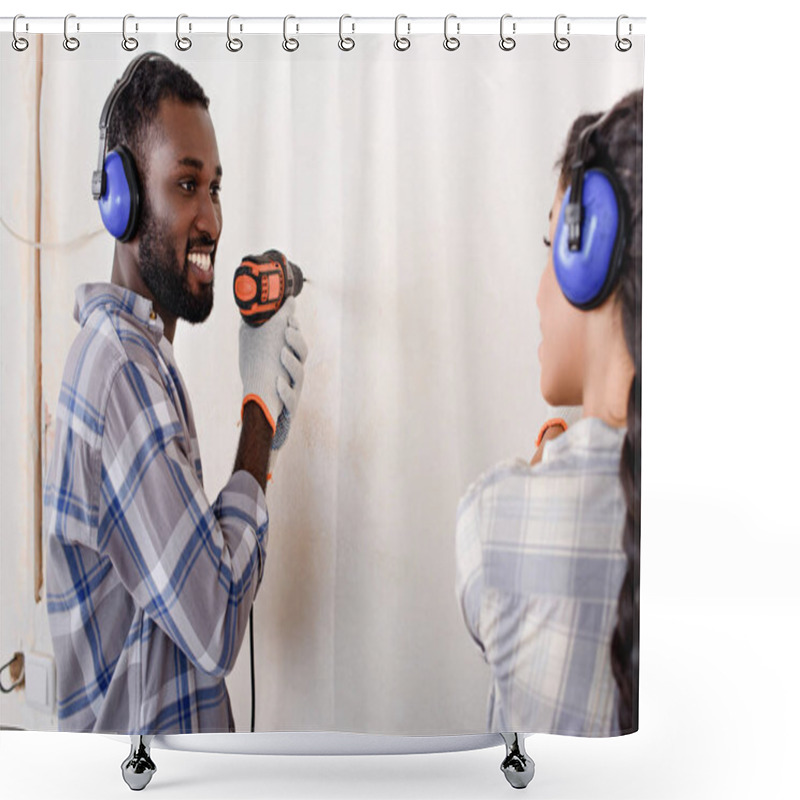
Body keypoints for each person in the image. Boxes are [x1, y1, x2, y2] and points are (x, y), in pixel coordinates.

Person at [44, 52, 308, 734]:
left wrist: (263, 427)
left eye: (215, 188)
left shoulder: (139, 363)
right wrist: (257, 417)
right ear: (121, 199)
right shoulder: (122, 370)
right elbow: (215, 624)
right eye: (186, 184)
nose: (213, 221)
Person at [455, 88, 642, 736]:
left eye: (550, 242)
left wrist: (548, 476)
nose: (540, 289)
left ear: (587, 256)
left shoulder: (493, 516)